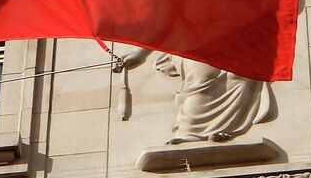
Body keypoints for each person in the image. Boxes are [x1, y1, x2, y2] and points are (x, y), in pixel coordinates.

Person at [116, 47, 273, 144]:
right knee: (202, 77)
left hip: (233, 26)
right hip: (191, 32)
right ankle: (191, 132)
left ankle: (223, 128)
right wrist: (140, 52)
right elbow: (164, 13)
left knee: (239, 76)